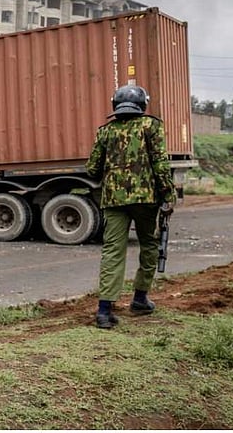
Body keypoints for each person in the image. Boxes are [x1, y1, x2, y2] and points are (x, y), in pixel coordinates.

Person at [85, 85, 176, 330]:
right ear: (142, 105)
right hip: (146, 200)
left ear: (115, 105)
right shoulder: (151, 126)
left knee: (113, 251)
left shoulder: (105, 131)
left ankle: (104, 311)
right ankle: (139, 299)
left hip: (113, 201)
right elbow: (160, 163)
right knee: (149, 245)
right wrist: (168, 195)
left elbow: (92, 168)